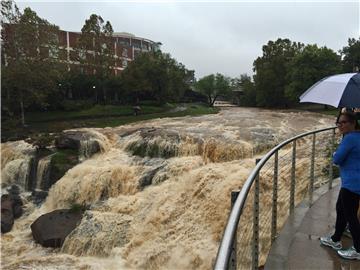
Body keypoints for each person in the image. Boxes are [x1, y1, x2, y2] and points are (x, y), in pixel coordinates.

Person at [320, 111, 360, 260]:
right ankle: (336, 238)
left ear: (353, 123)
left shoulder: (349, 139)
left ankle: (358, 249)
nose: (340, 125)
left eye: (344, 122)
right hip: (354, 182)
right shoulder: (357, 136)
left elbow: (337, 159)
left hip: (352, 183)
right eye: (338, 123)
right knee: (341, 209)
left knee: (351, 216)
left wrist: (336, 152)